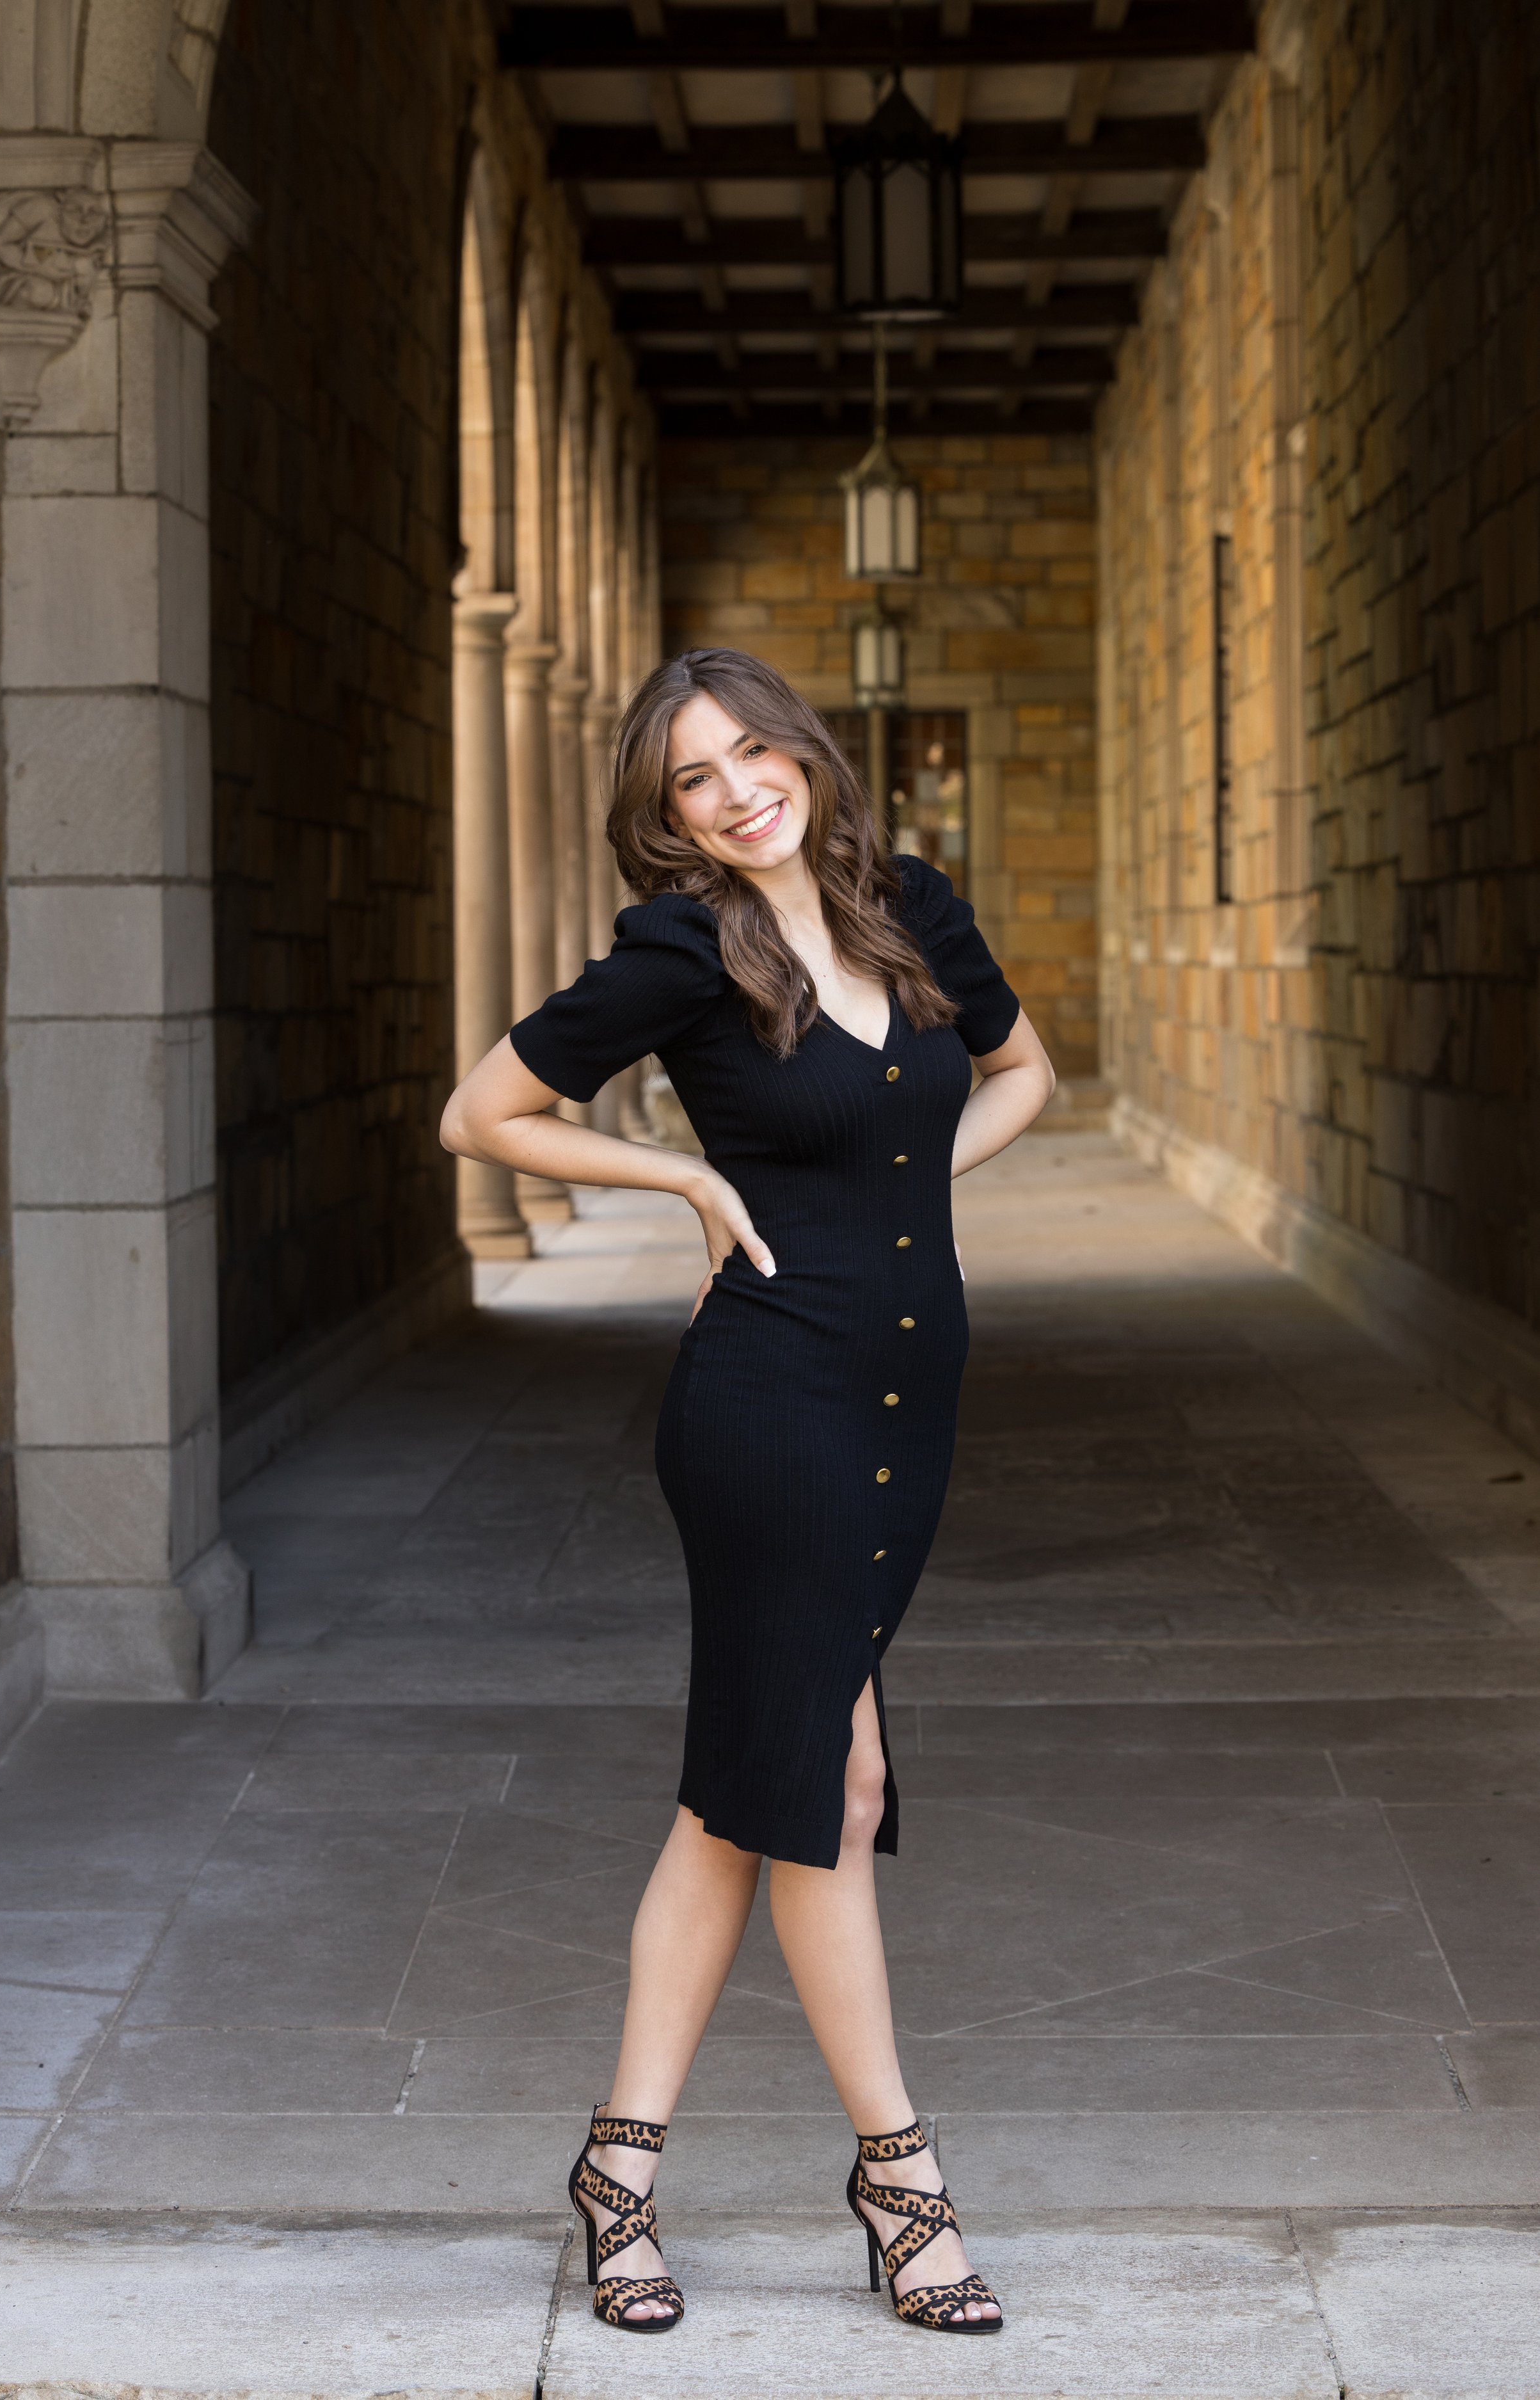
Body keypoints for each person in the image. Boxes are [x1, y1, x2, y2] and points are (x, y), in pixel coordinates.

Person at [440, 648, 1056, 2335]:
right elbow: (481, 1112)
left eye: (750, 753)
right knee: (826, 1788)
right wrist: (687, 1181)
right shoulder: (679, 951)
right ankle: (900, 2181)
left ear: (803, 750)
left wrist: (900, 1186)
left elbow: (1022, 1074)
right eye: (691, 780)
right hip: (766, 1403)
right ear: (669, 818)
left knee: (747, 1802)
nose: (734, 790)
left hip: (904, 1396)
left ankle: (617, 2174)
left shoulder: (909, 905)